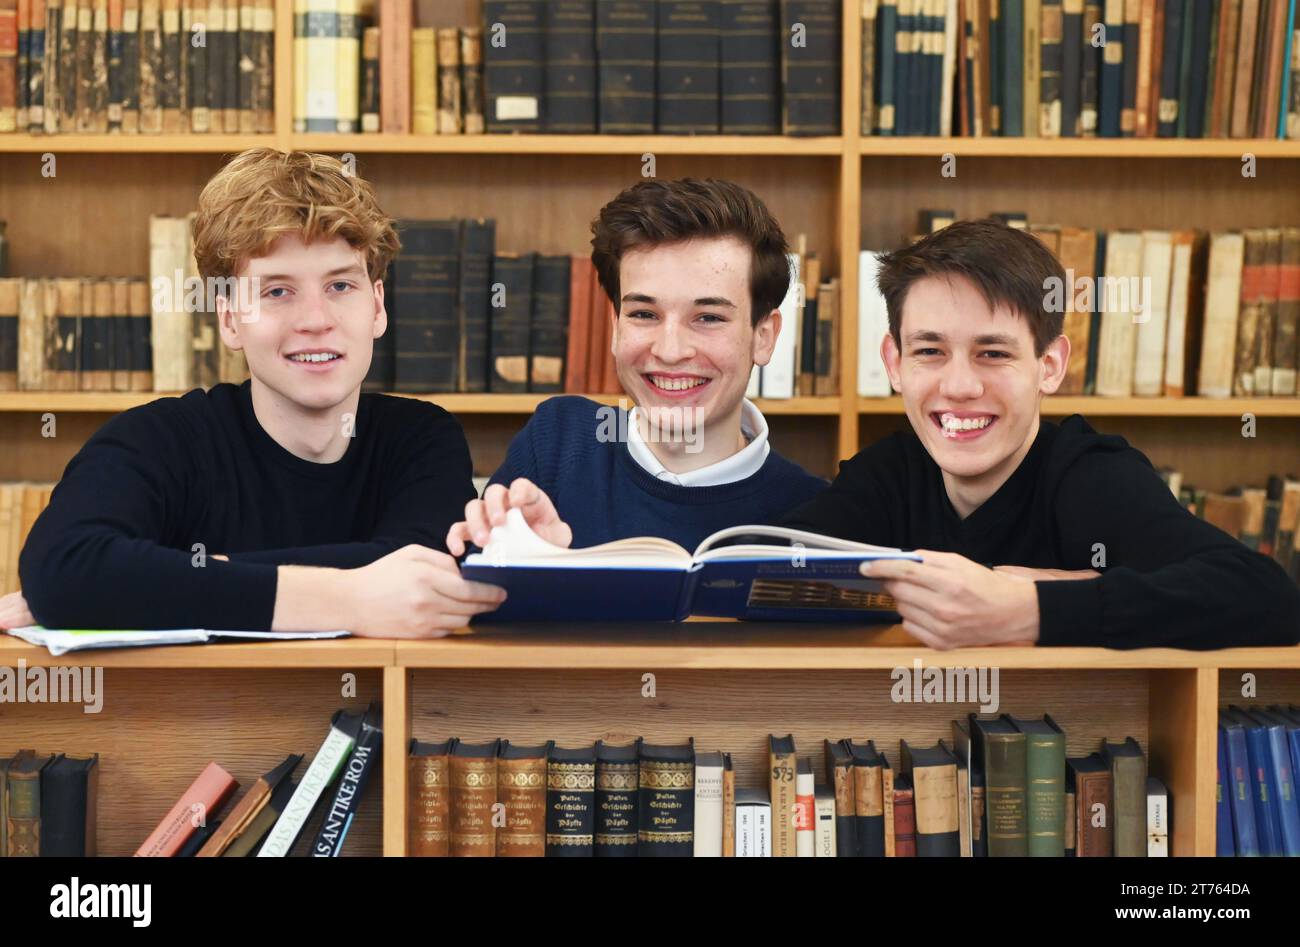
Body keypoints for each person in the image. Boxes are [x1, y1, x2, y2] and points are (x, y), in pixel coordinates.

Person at [7, 148, 505, 636]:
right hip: (207, 718)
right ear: (229, 320)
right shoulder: (160, 438)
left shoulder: (421, 437)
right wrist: (352, 599)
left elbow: (433, 572)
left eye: (340, 287)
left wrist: (187, 574)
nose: (315, 321)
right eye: (277, 291)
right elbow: (64, 571)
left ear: (377, 307)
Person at [779, 217, 1300, 650]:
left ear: (1049, 366)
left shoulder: (1090, 475)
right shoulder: (887, 473)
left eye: (994, 353)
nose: (958, 386)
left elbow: (1268, 598)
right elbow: (774, 574)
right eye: (929, 351)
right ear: (894, 364)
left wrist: (1029, 612)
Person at [446, 177, 825, 558]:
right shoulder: (555, 446)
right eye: (644, 314)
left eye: (708, 317)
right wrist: (523, 567)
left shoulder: (817, 516)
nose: (671, 350)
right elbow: (468, 601)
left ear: (764, 337)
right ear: (615, 327)